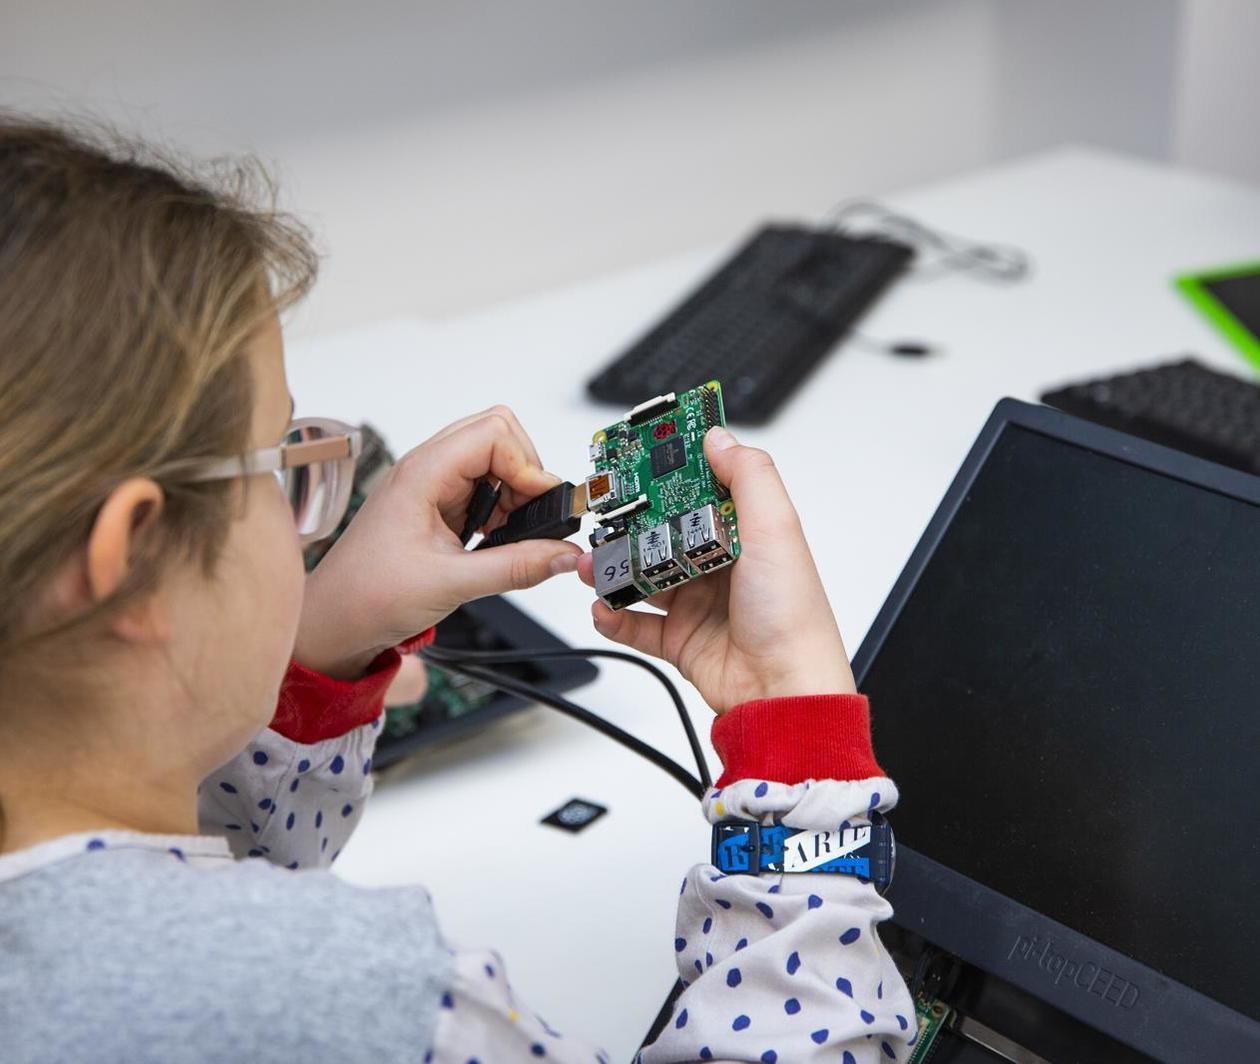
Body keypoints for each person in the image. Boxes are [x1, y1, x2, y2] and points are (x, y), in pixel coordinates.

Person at [0, 116, 914, 1063]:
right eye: (279, 470)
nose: (307, 509)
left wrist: (318, 652)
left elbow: (152, 900)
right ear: (133, 564)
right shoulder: (365, 1005)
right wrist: (800, 736)